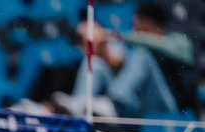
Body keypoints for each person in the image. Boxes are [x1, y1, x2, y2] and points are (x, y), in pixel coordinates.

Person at [52, 2, 196, 118]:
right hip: (137, 106)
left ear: (147, 24)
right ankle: (80, 105)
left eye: (136, 24)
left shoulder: (178, 41)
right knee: (95, 62)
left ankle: (112, 104)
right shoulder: (137, 47)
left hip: (169, 109)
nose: (134, 29)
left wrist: (118, 36)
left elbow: (183, 54)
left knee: (142, 56)